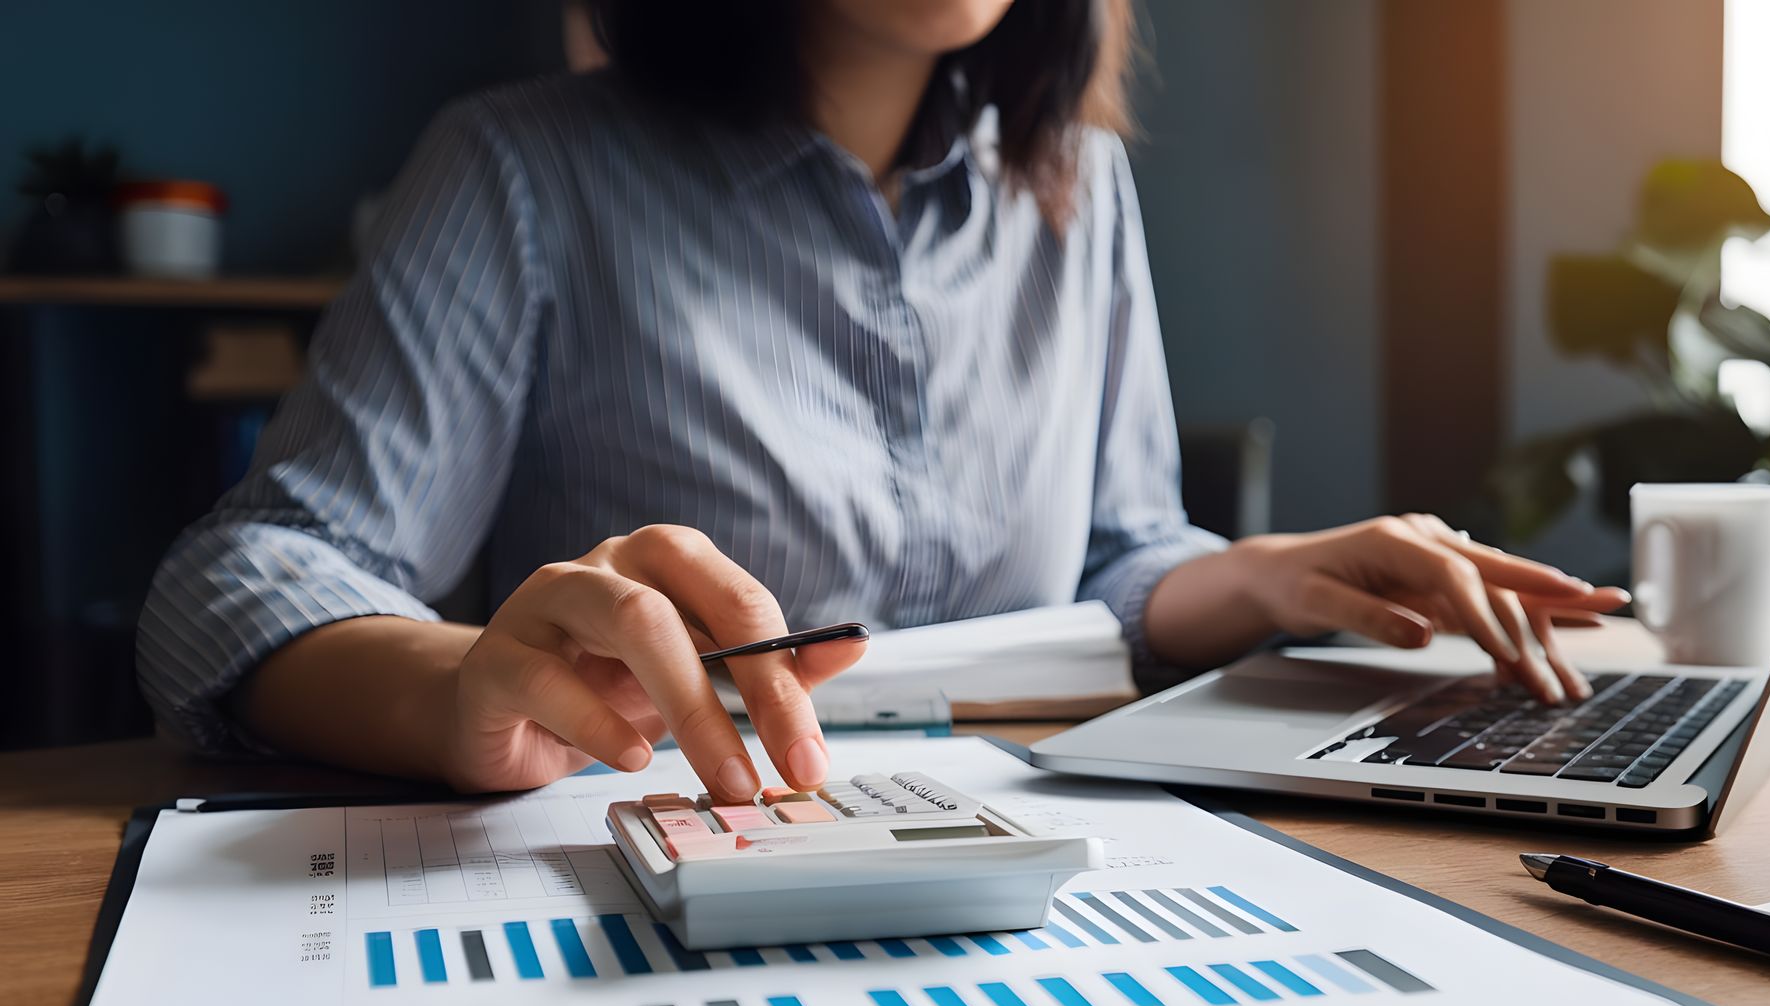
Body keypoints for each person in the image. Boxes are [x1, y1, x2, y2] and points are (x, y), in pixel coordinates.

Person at [137, 0, 1626, 801]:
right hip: (670, 862)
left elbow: (1115, 560)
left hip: (1032, 868)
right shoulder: (520, 173)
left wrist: (1263, 574)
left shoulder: (1077, 189)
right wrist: (460, 687)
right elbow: (239, 582)